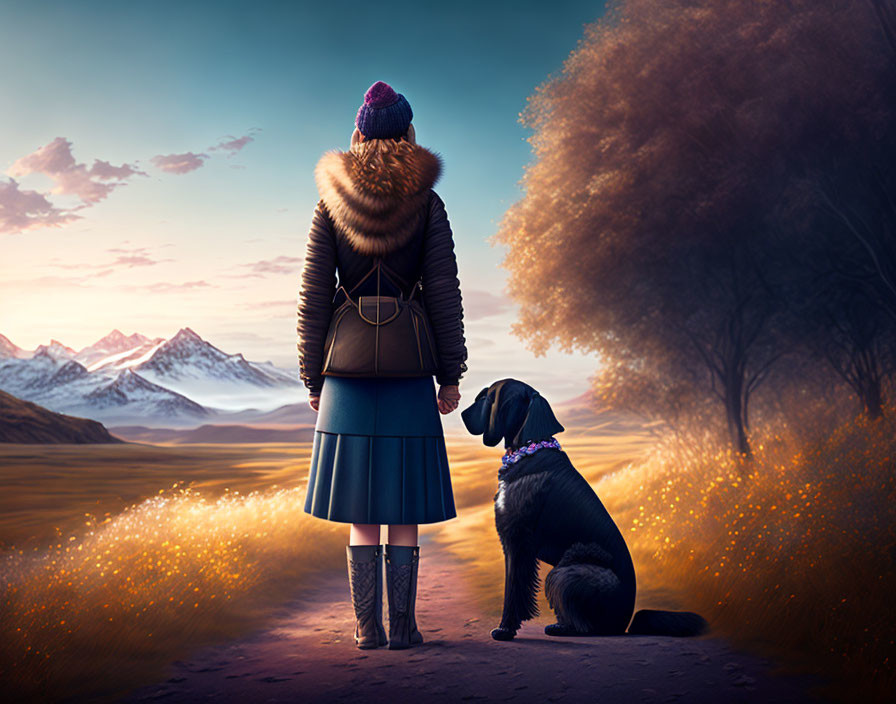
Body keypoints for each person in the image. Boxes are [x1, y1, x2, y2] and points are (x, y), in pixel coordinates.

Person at [297, 80, 467, 650]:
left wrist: (311, 375)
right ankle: (404, 629)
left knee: (360, 507)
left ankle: (366, 629)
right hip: (409, 366)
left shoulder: (330, 201)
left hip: (344, 371)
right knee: (403, 504)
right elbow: (443, 291)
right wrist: (451, 374)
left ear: (358, 134)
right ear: (409, 133)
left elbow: (315, 293)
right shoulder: (427, 202)